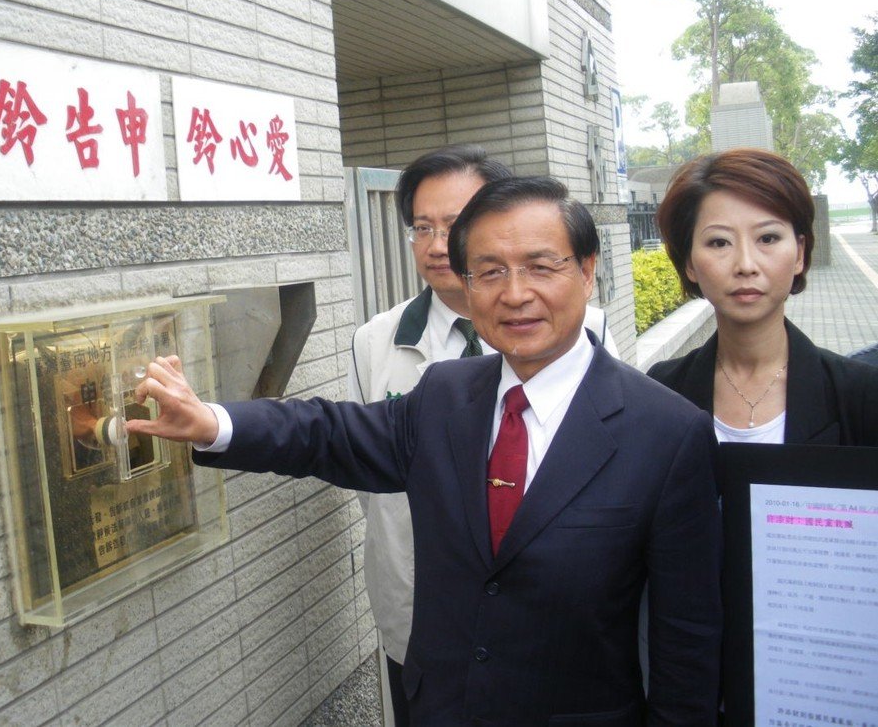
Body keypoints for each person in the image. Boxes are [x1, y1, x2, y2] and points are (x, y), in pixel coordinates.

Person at [129, 177, 722, 725]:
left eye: (541, 267)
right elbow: (329, 433)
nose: (516, 294)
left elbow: (687, 645)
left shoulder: (667, 432)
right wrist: (211, 421)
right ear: (466, 283)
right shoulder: (444, 394)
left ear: (587, 271)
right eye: (489, 272)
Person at [349, 145, 619, 725]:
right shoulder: (375, 340)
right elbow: (368, 464)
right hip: (420, 617)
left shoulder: (585, 328)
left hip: (554, 629)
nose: (437, 244)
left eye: (455, 224)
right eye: (422, 227)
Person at [648, 148, 878, 445]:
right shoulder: (661, 390)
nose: (746, 265)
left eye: (767, 238)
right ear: (689, 262)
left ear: (799, 253)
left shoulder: (861, 394)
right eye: (719, 242)